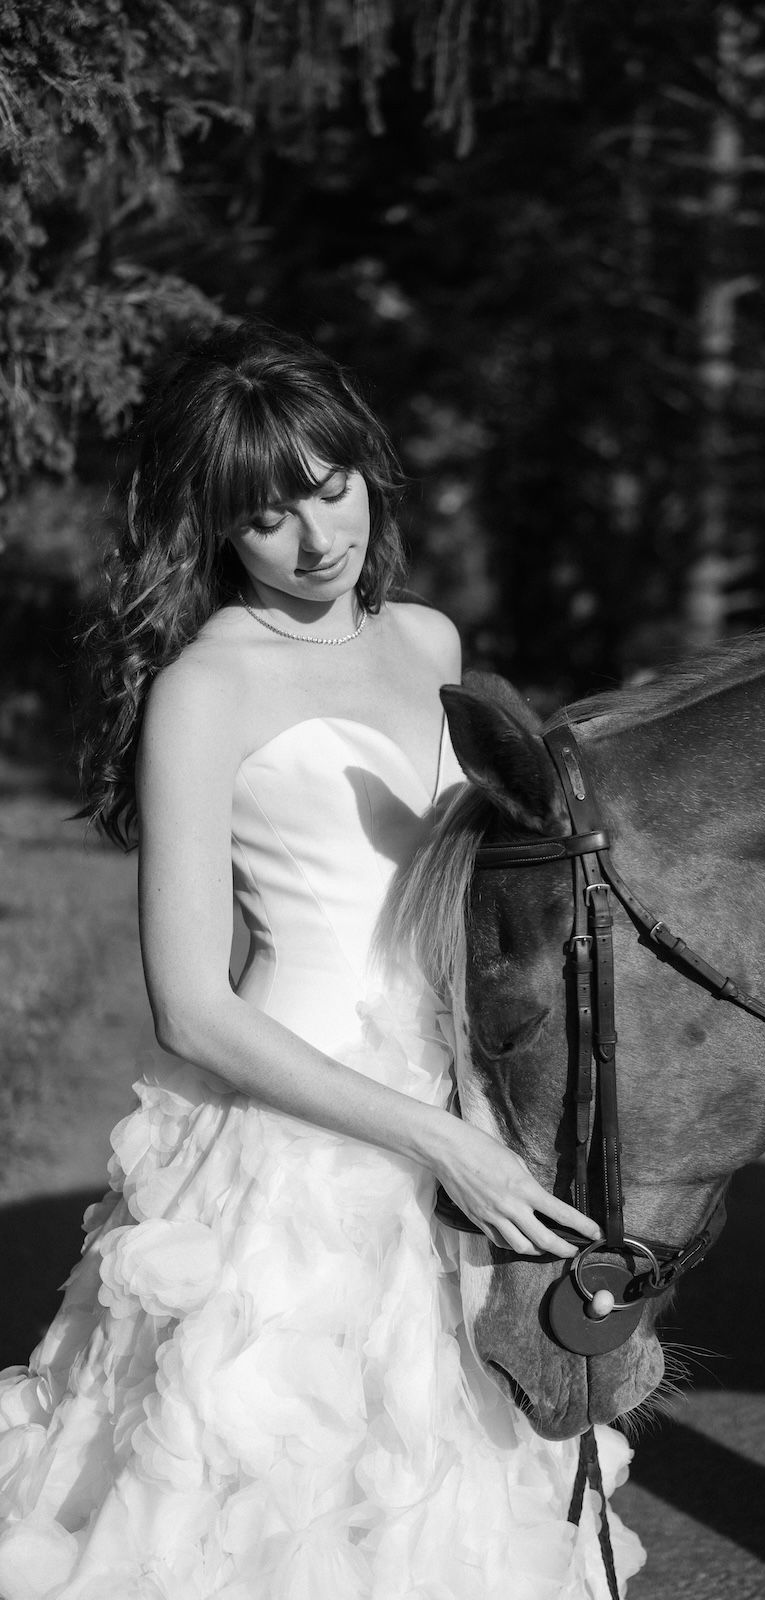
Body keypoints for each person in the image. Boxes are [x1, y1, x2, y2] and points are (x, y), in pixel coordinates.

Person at [0, 324, 646, 1598]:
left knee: (450, 1474)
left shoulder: (430, 642)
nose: (315, 535)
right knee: (257, 1493)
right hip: (300, 1130)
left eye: (331, 482)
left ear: (369, 468)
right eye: (266, 513)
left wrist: (493, 1103)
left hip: (469, 1090)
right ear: (216, 529)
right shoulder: (205, 687)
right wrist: (429, 1136)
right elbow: (190, 1006)